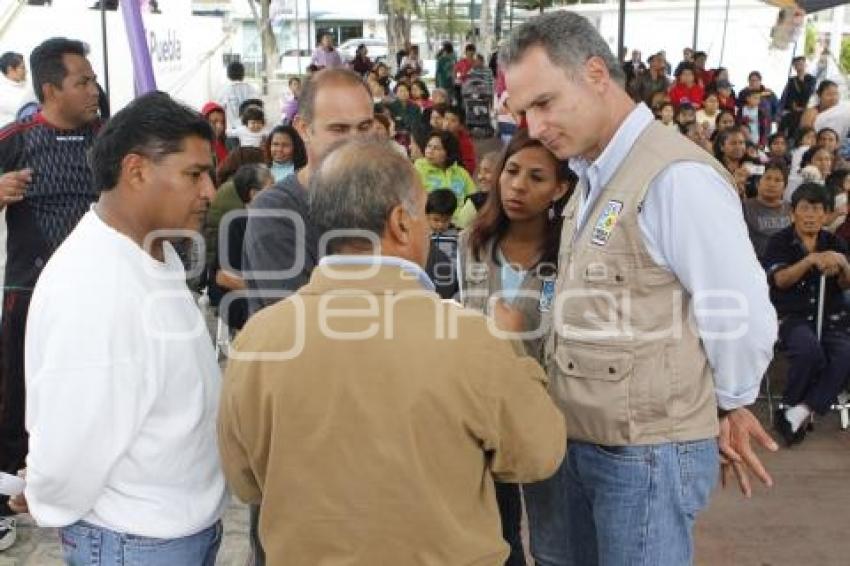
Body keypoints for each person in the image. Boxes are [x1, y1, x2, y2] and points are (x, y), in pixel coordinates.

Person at [503, 11, 778, 565]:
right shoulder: (592, 175)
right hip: (579, 440)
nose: (534, 128)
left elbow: (739, 311)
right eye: (522, 111)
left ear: (597, 74)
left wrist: (732, 402)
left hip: (643, 454)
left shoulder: (676, 178)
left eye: (545, 103)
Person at [218, 137, 567, 566]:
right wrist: (510, 342)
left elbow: (246, 481)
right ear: (402, 222)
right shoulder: (472, 341)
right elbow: (538, 452)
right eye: (422, 214)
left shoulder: (258, 341)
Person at [22, 90, 227, 564]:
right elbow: (70, 442)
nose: (209, 192)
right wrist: (46, 496)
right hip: (132, 542)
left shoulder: (156, 252)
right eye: (194, 174)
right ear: (136, 171)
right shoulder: (96, 284)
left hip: (168, 531)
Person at [0, 38, 103, 549]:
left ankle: (84, 485)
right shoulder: (14, 139)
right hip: (29, 288)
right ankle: (7, 496)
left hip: (100, 295)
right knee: (17, 395)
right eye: (82, 81)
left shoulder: (109, 138)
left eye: (93, 79)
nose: (94, 89)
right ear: (50, 90)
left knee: (93, 391)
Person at [457, 129, 574, 566]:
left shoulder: (569, 252)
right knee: (494, 537)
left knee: (553, 543)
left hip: (547, 412)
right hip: (482, 411)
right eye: (511, 171)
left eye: (537, 177)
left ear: (560, 188)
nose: (518, 185)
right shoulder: (474, 240)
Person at [242, 68, 375, 318]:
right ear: (303, 128)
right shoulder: (275, 212)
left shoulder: (383, 197)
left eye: (365, 126)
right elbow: (306, 324)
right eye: (339, 129)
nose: (356, 141)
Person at [764, 183, 850, 446]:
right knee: (809, 350)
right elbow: (780, 280)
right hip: (792, 317)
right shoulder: (779, 241)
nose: (811, 215)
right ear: (793, 213)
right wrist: (809, 261)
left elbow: (846, 285)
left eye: (817, 209)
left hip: (831, 317)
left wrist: (844, 264)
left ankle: (796, 412)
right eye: (805, 208)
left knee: (846, 353)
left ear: (826, 215)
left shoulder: (835, 242)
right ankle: (792, 404)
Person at [214, 163, 274, 331]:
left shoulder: (279, 223)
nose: (279, 192)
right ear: (254, 194)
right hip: (243, 299)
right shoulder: (235, 224)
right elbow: (223, 277)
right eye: (272, 187)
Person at [414, 130, 476, 228]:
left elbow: (473, 198)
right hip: (430, 226)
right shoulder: (418, 169)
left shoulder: (461, 173)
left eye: (436, 148)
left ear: (448, 152)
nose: (430, 151)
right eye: (428, 146)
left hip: (460, 226)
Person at [743, 162, 792, 259]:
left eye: (777, 180)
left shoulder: (792, 209)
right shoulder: (744, 207)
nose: (771, 184)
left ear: (784, 187)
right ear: (758, 183)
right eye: (767, 178)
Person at [780, 56, 816, 139]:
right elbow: (787, 96)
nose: (799, 66)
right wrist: (791, 106)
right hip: (792, 111)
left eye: (801, 64)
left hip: (805, 112)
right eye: (796, 64)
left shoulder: (811, 79)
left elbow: (808, 93)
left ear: (805, 65)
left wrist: (801, 79)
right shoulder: (791, 80)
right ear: (794, 67)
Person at [218, 61, 259, 136]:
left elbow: (220, 112)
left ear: (228, 75)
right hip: (251, 131)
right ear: (243, 74)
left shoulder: (224, 91)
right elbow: (259, 109)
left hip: (232, 133)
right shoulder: (252, 89)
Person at [0, 52, 36, 126]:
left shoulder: (25, 83)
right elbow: (28, 112)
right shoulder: (4, 95)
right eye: (22, 68)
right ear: (10, 70)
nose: (26, 71)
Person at [444, 106, 477, 173]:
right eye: (446, 119)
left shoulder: (465, 143)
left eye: (453, 121)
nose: (447, 124)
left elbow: (470, 166)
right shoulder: (437, 137)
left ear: (460, 126)